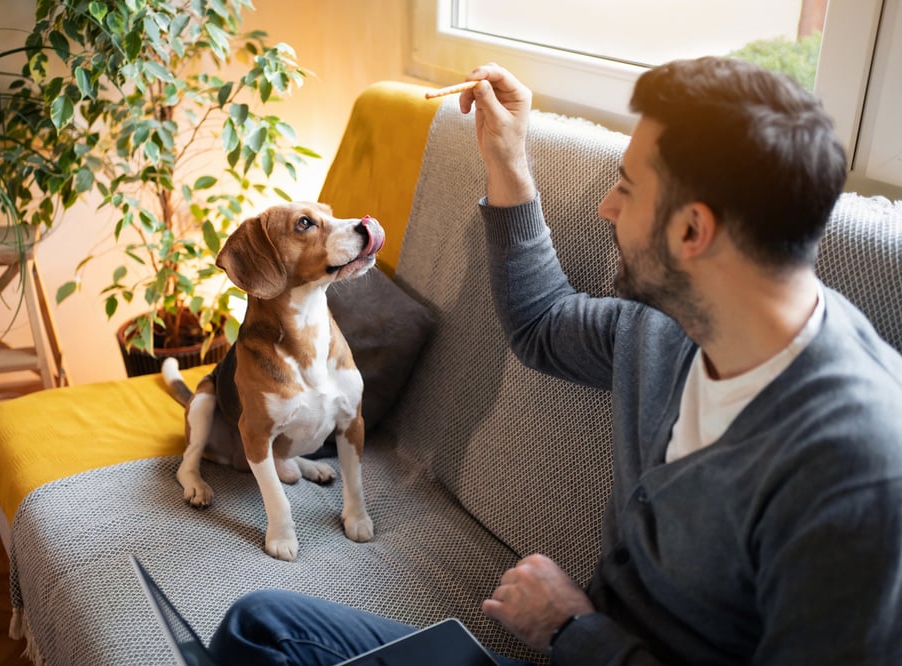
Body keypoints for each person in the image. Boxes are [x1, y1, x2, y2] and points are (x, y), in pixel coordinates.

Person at [208, 57, 902, 664]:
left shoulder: (859, 471)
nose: (605, 207)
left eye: (626, 187)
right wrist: (508, 161)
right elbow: (542, 323)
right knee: (259, 627)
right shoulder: (665, 328)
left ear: (693, 230)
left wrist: (574, 630)